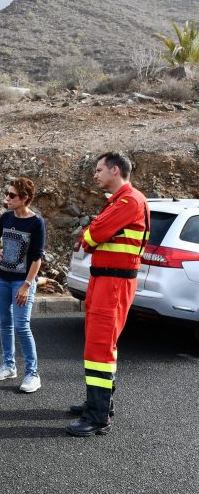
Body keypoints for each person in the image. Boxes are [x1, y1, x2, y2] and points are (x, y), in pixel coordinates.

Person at [67, 152, 149, 437]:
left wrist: (90, 234)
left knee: (99, 350)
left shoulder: (129, 201)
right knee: (98, 346)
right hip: (105, 282)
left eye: (99, 170)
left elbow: (91, 236)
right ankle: (98, 403)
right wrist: (92, 234)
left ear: (115, 170)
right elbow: (94, 235)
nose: (95, 175)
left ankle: (98, 416)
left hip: (113, 285)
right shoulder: (119, 202)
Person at [0, 177, 45, 393]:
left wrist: (27, 285)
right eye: (7, 193)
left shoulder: (36, 222)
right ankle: (9, 366)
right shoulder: (6, 218)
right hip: (1, 278)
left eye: (12, 195)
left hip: (22, 282)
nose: (7, 198)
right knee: (5, 323)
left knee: (22, 326)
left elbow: (37, 258)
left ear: (24, 199)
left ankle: (32, 374)